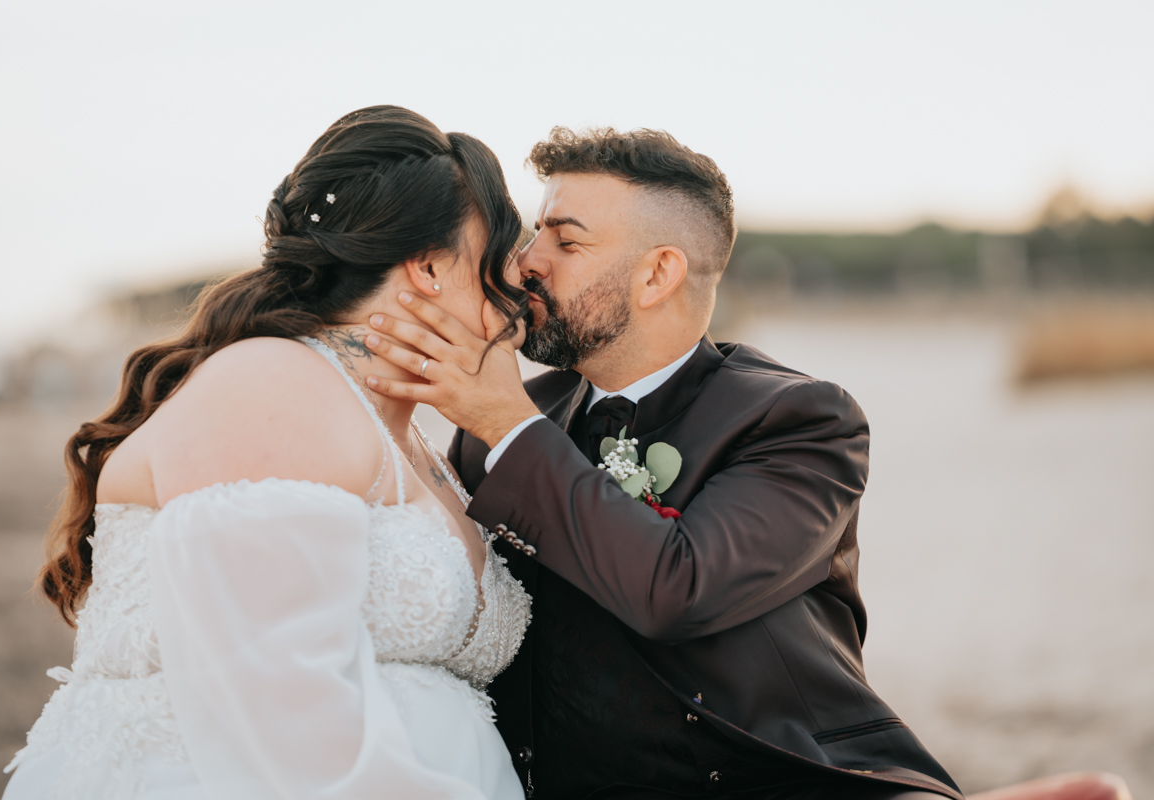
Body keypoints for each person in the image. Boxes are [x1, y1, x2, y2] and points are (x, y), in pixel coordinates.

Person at [361, 126, 963, 800]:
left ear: (657, 274)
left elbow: (679, 590)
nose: (526, 261)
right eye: (535, 234)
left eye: (566, 240)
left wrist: (508, 423)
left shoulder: (801, 422)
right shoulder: (494, 432)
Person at [2, 106, 534, 800]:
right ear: (430, 266)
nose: (526, 276)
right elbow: (275, 706)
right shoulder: (274, 384)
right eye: (507, 249)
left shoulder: (422, 443)